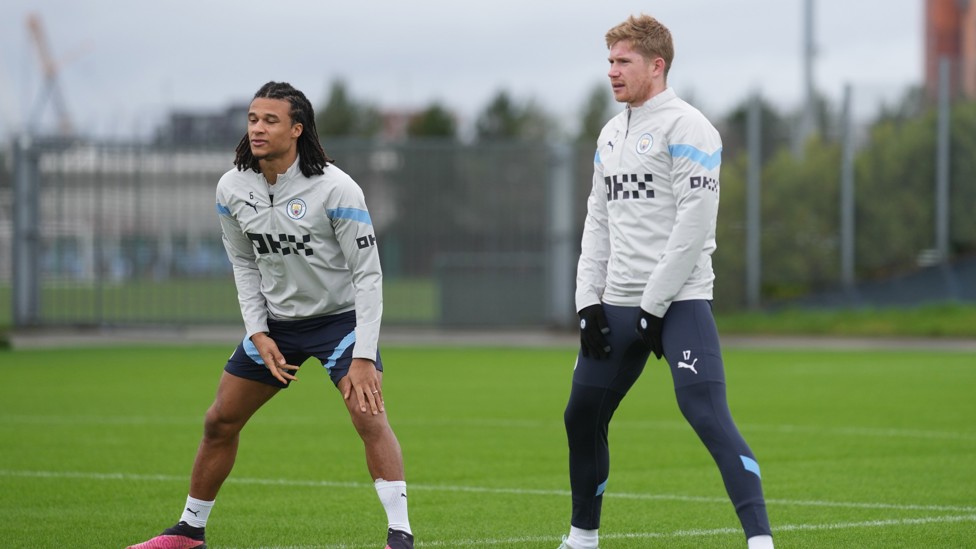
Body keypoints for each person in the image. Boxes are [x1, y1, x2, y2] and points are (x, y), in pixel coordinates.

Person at [128, 81, 413, 549]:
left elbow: (369, 276)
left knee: (368, 416)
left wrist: (363, 357)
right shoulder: (232, 187)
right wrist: (257, 333)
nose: (257, 129)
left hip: (339, 323)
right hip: (277, 327)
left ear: (297, 129)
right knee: (219, 421)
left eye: (270, 120)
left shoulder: (338, 189)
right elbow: (243, 262)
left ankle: (400, 535)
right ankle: (189, 532)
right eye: (252, 120)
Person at [559, 15, 773, 549]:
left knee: (705, 413)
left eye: (622, 61)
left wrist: (655, 305)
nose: (611, 72)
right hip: (616, 307)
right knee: (581, 416)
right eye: (609, 61)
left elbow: (694, 225)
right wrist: (588, 300)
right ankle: (582, 538)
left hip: (679, 305)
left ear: (657, 65)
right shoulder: (610, 134)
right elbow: (598, 223)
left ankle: (761, 541)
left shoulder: (690, 127)